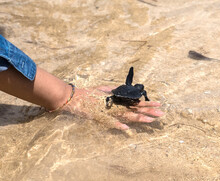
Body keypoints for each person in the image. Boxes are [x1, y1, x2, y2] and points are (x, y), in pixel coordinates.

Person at [0, 34, 164, 130]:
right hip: (122, 94)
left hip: (121, 94)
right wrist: (63, 95)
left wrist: (62, 93)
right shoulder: (132, 92)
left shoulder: (131, 91)